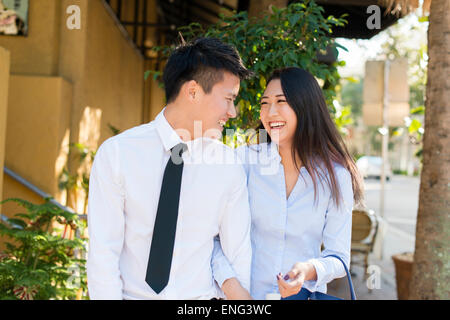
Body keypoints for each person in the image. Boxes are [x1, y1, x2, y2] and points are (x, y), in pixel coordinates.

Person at [87, 37, 254, 300]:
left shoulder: (228, 166)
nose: (232, 112)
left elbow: (238, 256)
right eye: (229, 99)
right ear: (193, 91)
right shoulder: (117, 154)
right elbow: (102, 253)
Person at [212, 67, 364, 300]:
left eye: (281, 101)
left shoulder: (335, 175)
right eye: (264, 103)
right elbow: (212, 238)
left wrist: (309, 270)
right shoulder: (244, 161)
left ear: (305, 106)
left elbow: (339, 258)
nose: (270, 112)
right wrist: (232, 288)